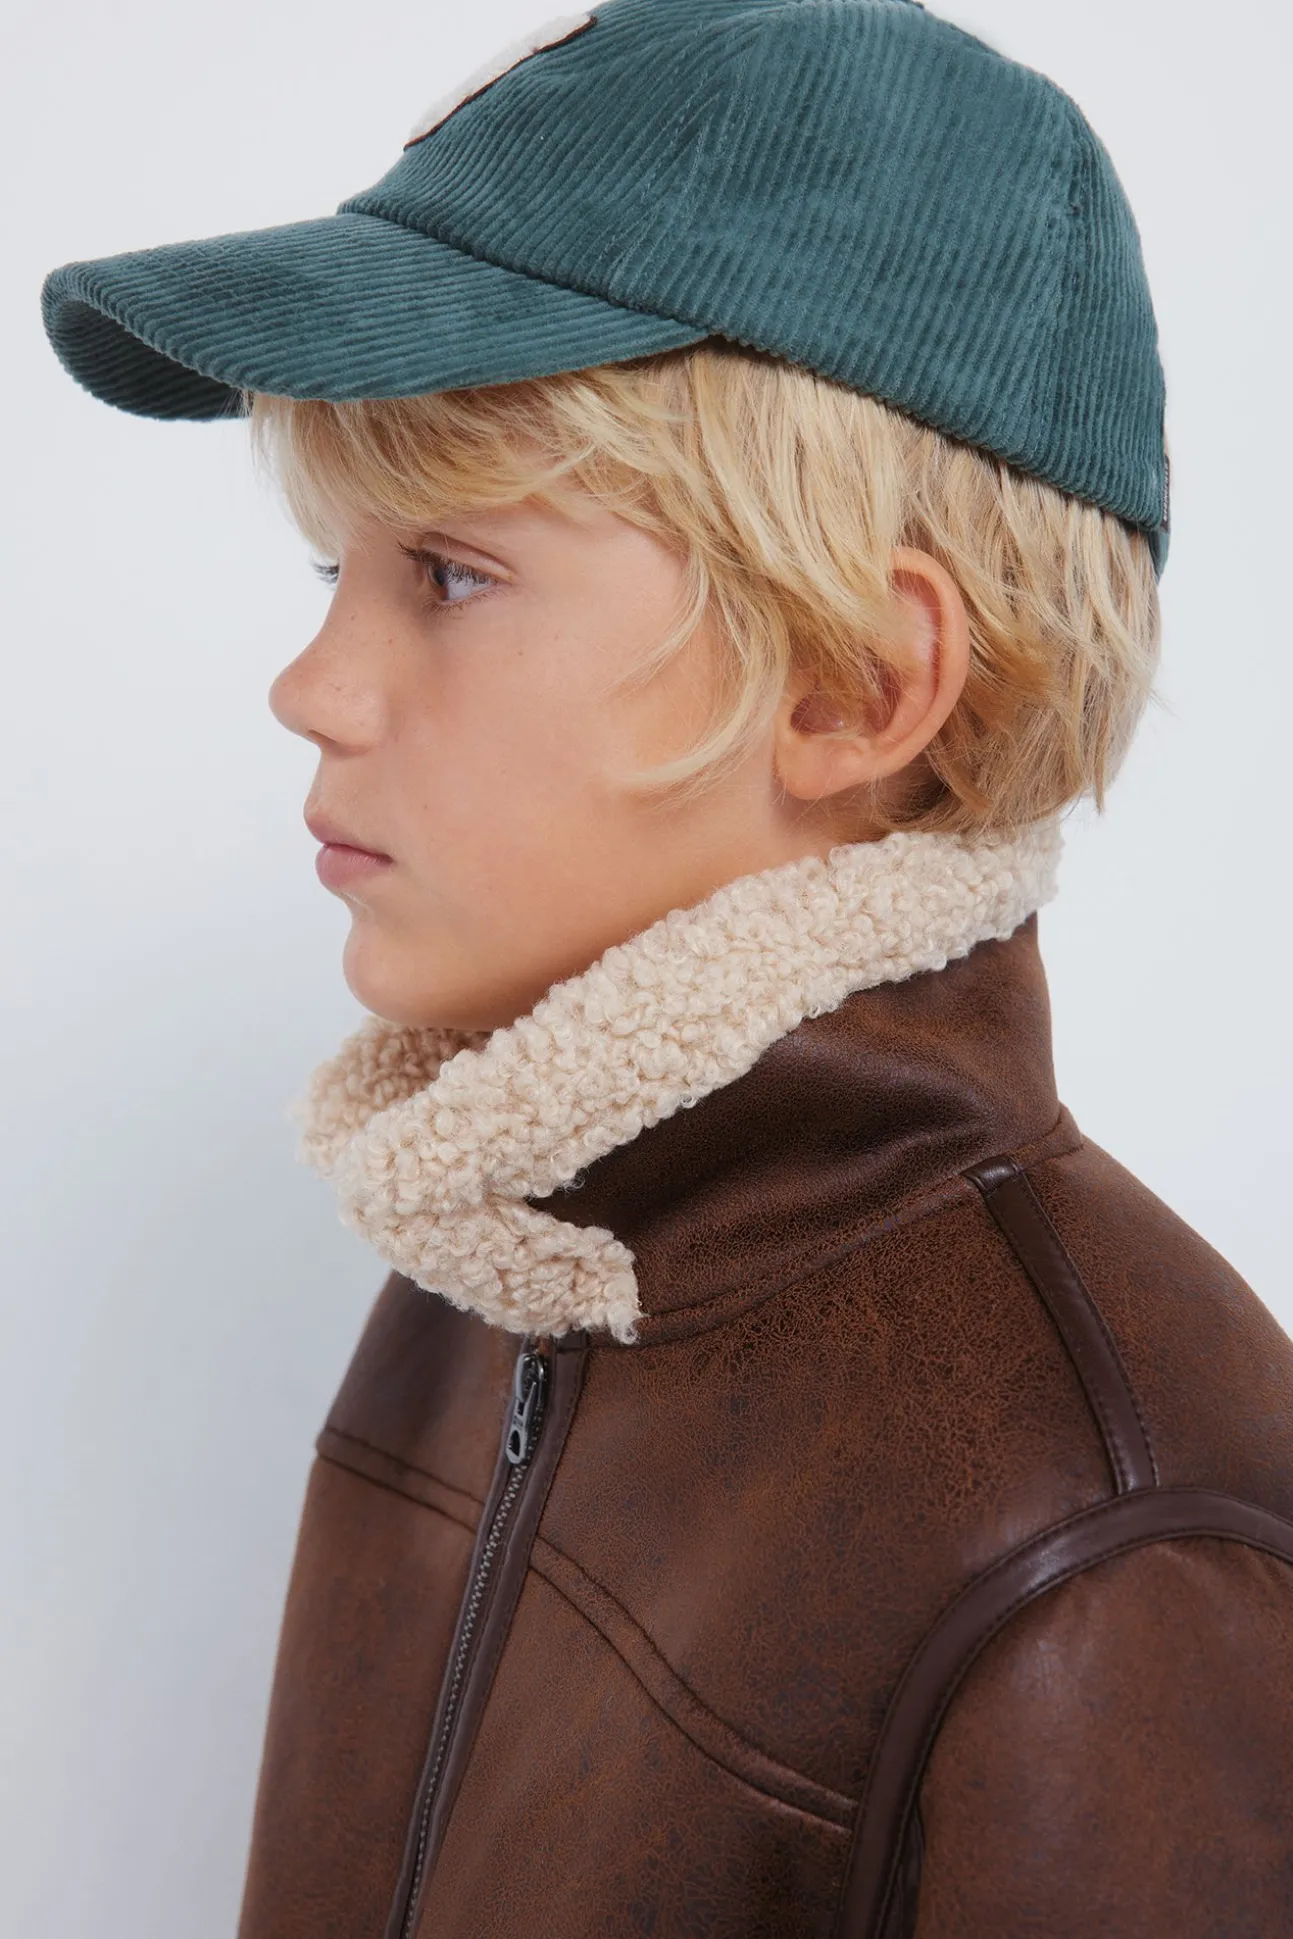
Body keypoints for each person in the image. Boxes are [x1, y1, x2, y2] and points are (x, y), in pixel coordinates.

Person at [39, 0, 1293, 1933]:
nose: (314, 686)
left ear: (857, 680)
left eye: (450, 574)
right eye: (331, 571)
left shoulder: (1109, 1548)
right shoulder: (502, 1258)